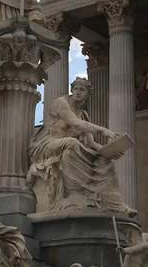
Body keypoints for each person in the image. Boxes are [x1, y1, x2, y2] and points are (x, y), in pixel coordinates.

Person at [27, 77, 136, 216]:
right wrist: (103, 130)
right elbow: (74, 123)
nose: (78, 92)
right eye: (75, 89)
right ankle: (74, 194)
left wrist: (109, 152)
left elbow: (91, 143)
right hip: (46, 145)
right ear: (71, 90)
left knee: (106, 162)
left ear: (87, 94)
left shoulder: (83, 115)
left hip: (68, 146)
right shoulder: (61, 102)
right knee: (72, 143)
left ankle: (118, 205)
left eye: (82, 90)